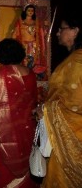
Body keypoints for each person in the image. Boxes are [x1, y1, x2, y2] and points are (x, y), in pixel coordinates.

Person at [0, 38, 39, 188]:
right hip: (28, 131)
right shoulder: (31, 74)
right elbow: (34, 101)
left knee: (3, 173)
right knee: (28, 172)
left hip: (5, 134)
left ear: (1, 55)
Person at [40, 11, 82, 187]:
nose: (58, 33)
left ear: (75, 31)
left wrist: (46, 110)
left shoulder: (78, 62)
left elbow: (75, 103)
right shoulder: (74, 59)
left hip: (72, 136)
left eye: (62, 28)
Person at [12, 4, 46, 76]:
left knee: (34, 62)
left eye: (32, 10)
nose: (30, 12)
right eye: (29, 10)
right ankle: (24, 75)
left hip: (34, 46)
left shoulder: (36, 22)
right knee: (25, 61)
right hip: (24, 45)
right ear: (25, 11)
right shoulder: (20, 22)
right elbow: (15, 34)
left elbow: (41, 35)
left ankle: (34, 76)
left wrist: (44, 33)